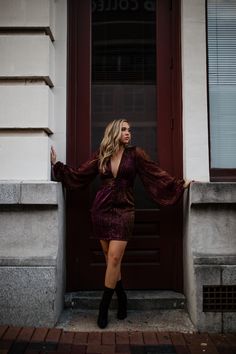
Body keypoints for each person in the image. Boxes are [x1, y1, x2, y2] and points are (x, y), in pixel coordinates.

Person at [50, 119, 191, 329]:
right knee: (110, 260)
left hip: (124, 210)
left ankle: (104, 308)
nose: (128, 133)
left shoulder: (136, 155)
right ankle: (122, 296)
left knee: (114, 257)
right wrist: (57, 166)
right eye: (124, 129)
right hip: (101, 210)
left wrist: (179, 184)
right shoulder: (101, 154)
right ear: (114, 132)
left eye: (129, 130)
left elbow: (154, 174)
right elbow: (80, 174)